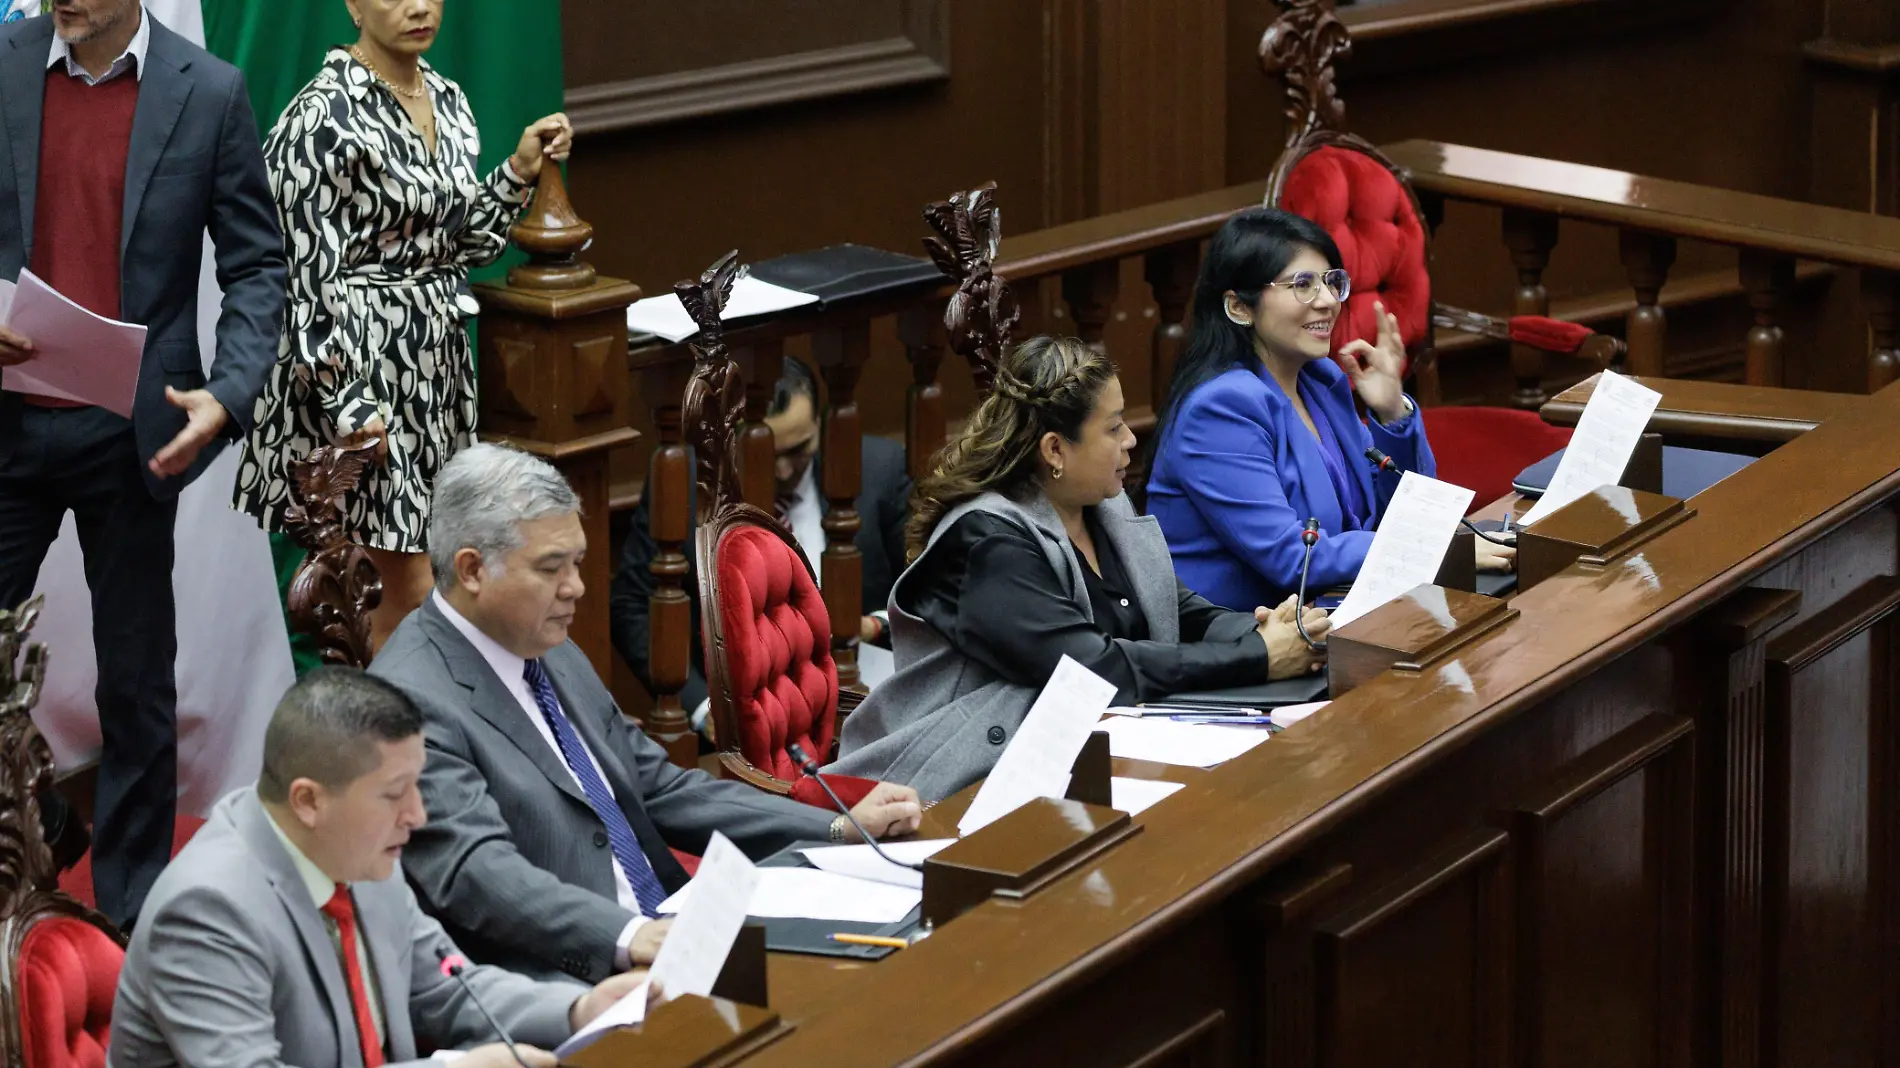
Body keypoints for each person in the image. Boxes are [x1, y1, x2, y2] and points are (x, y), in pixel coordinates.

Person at [371, 443, 924, 983]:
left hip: (672, 923)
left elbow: (657, 787)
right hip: (571, 975)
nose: (577, 588)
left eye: (579, 563)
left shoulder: (542, 640)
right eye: (551, 568)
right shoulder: (410, 701)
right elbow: (477, 873)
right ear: (471, 570)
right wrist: (627, 937)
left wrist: (833, 826)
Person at [0, 0, 287, 928]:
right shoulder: (2, 61)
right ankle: (45, 819)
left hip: (135, 428)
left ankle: (131, 917)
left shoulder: (208, 93)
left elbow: (256, 266)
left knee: (136, 678)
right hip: (10, 419)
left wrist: (230, 391)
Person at [827, 336, 1329, 801]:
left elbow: (1180, 611)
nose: (1131, 439)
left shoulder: (1103, 507)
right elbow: (1092, 669)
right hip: (947, 782)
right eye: (1113, 428)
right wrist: (1258, 657)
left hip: (1071, 759)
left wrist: (1276, 631)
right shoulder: (987, 541)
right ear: (1054, 449)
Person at [233, 0, 574, 653]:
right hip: (361, 383)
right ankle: (408, 751)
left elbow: (464, 244)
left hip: (437, 371)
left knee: (446, 581)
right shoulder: (320, 115)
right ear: (354, 5)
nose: (418, 7)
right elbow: (298, 276)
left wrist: (519, 170)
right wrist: (349, 403)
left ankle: (430, 744)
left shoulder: (447, 98)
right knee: (406, 596)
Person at [110, 667, 653, 1068]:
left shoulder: (358, 854)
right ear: (308, 801)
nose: (417, 815)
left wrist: (580, 1009)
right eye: (395, 794)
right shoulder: (208, 910)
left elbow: (443, 986)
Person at [1145, 207, 1515, 612]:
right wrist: (1429, 547)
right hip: (1251, 646)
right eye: (1302, 284)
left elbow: (1404, 510)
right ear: (1239, 307)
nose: (1326, 301)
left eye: (1331, 281)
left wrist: (1393, 412)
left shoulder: (1320, 381)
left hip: (1341, 608)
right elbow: (1293, 558)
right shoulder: (1219, 411)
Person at [611, 356, 911, 727]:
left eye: (798, 450)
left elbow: (929, 587)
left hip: (871, 698)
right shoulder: (683, 483)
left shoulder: (879, 469)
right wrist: (705, 709)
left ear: (820, 423)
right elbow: (633, 606)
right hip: (745, 716)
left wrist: (871, 626)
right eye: (769, 455)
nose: (783, 470)